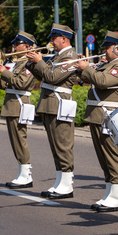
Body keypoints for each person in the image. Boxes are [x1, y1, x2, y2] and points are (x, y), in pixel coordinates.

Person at [76, 31, 118, 212]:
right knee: (103, 157)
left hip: (108, 115)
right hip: (97, 115)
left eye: (108, 48)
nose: (104, 51)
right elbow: (91, 80)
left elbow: (102, 81)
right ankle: (109, 191)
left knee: (112, 156)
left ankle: (117, 196)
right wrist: (83, 70)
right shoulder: (110, 64)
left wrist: (86, 68)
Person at [26, 24, 80, 200]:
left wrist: (39, 61)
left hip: (60, 105)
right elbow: (43, 75)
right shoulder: (59, 55)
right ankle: (60, 181)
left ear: (63, 39)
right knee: (55, 147)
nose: (51, 42)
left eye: (53, 39)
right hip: (50, 105)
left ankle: (67, 184)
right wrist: (31, 62)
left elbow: (52, 77)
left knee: (63, 145)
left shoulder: (70, 57)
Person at [0, 31, 38, 189]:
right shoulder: (18, 62)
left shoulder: (29, 63)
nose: (14, 46)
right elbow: (7, 85)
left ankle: (26, 174)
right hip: (12, 104)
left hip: (19, 104)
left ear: (27, 46)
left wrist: (4, 73)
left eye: (17, 44)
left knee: (20, 140)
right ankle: (22, 172)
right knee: (15, 140)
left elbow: (21, 83)